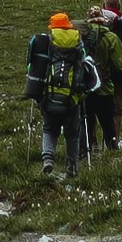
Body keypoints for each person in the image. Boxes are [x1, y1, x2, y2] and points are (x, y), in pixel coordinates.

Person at [26, 9, 97, 174]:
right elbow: (84, 66)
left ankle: (48, 159)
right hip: (72, 98)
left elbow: (33, 67)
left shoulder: (47, 42)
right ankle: (72, 166)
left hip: (49, 96)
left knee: (49, 129)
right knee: (72, 134)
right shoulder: (78, 42)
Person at [85, 5, 122, 152]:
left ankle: (90, 148)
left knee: (88, 122)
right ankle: (112, 150)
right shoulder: (111, 38)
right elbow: (121, 66)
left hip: (85, 89)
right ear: (103, 21)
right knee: (108, 124)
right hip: (104, 89)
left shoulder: (80, 37)